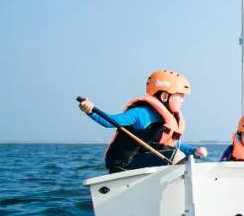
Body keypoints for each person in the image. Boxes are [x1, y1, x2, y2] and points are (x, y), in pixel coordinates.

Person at [78, 69, 208, 172]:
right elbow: (109, 121)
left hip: (143, 163)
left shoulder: (170, 119)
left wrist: (193, 151)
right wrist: (89, 110)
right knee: (177, 156)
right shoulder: (140, 113)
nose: (182, 100)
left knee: (180, 155)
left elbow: (173, 144)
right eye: (180, 96)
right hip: (124, 164)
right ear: (164, 96)